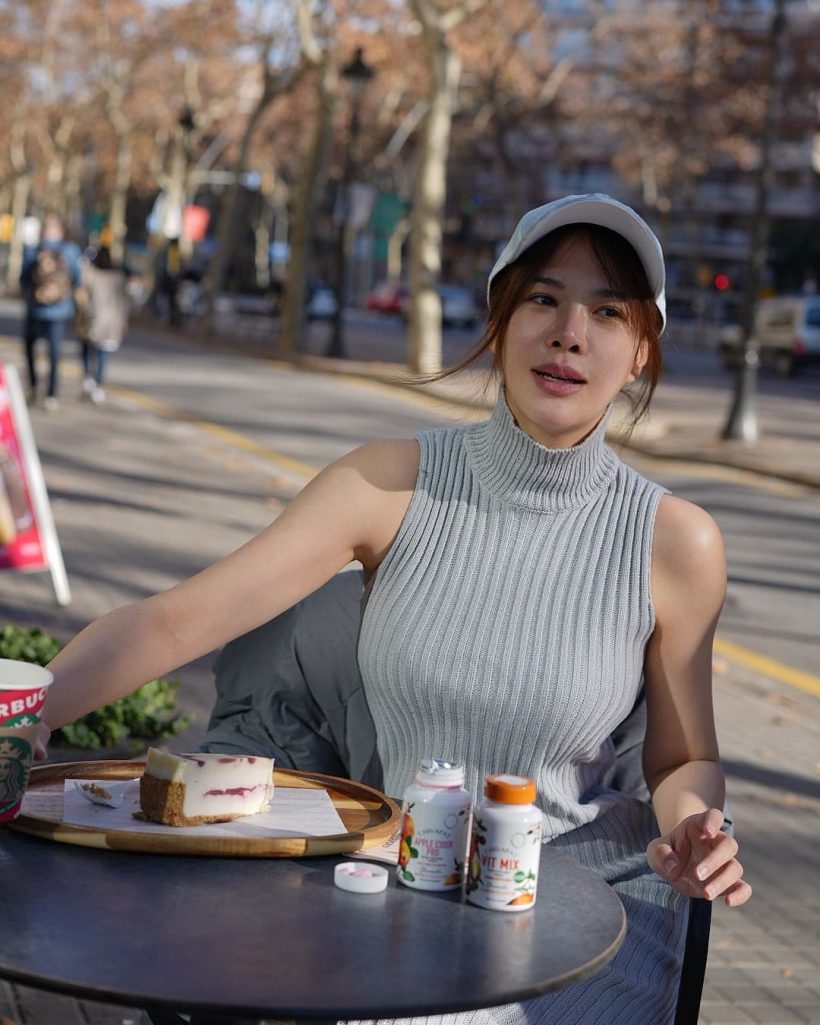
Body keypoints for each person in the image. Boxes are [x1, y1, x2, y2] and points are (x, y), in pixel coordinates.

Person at [36, 193, 751, 1025]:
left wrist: (697, 829)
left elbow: (683, 759)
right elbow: (177, 622)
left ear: (638, 355)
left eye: (609, 311)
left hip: (583, 917)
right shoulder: (390, 483)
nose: (569, 333)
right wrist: (26, 710)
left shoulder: (676, 541)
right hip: (405, 898)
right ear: (500, 315)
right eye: (544, 299)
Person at [19, 213, 82, 410]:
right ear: (61, 231)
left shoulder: (34, 250)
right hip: (60, 311)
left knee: (30, 349)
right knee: (54, 353)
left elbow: (23, 279)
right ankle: (52, 394)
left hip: (35, 309)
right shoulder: (71, 251)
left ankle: (33, 386)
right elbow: (78, 278)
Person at [76, 243, 131, 404]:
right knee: (102, 355)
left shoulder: (91, 275)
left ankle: (88, 378)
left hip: (93, 320)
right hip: (111, 321)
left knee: (87, 349)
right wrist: (123, 321)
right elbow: (125, 303)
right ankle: (98, 385)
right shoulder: (119, 277)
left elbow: (81, 297)